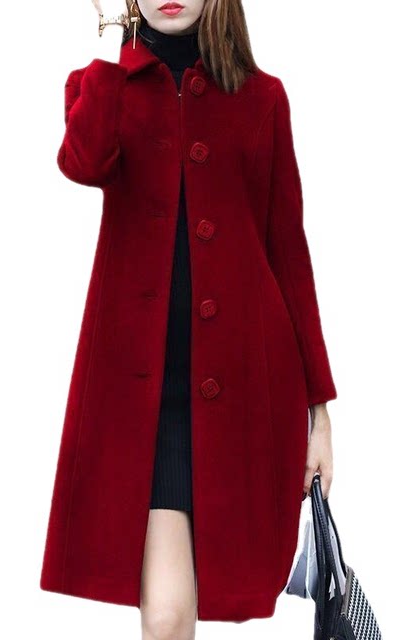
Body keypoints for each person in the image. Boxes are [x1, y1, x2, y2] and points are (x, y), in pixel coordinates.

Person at [40, 1, 337, 636]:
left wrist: (320, 412)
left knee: (193, 608)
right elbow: (83, 162)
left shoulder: (263, 98)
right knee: (168, 617)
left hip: (246, 390)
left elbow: (289, 253)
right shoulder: (103, 86)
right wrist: (119, 44)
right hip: (144, 400)